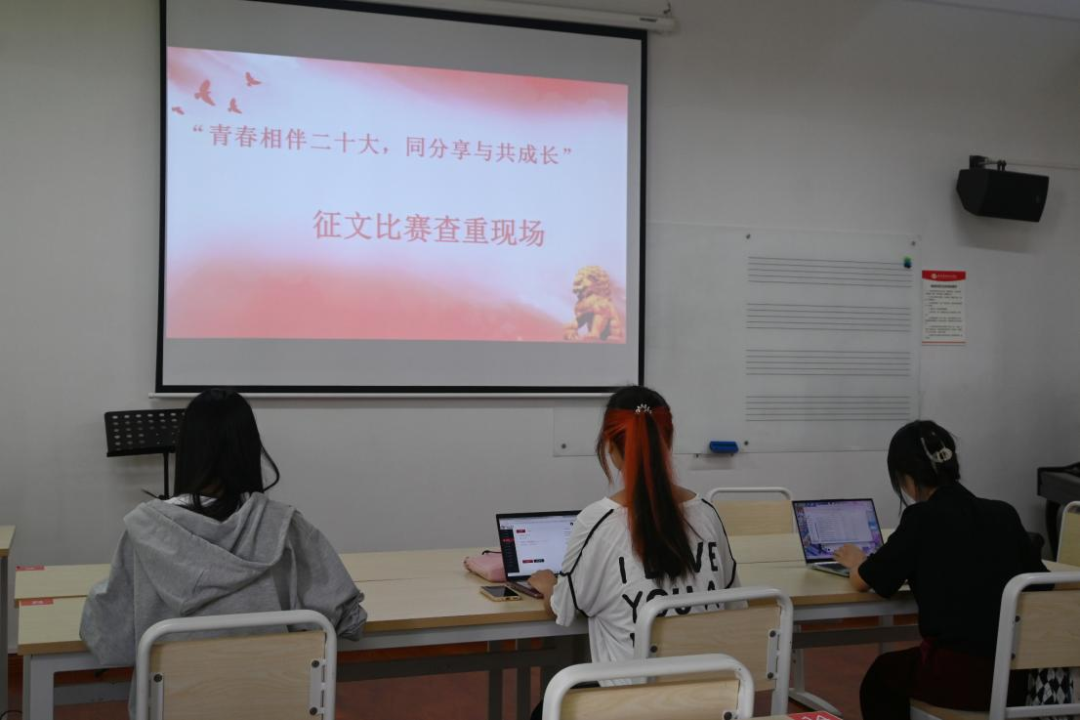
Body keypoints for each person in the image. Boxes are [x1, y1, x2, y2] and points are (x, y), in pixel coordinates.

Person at [81, 389, 365, 704]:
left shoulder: (145, 531)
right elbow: (346, 617)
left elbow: (111, 640)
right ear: (249, 449)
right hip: (271, 706)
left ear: (186, 449)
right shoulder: (285, 527)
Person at [527, 386, 739, 717]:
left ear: (609, 446)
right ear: (669, 441)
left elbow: (564, 609)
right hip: (708, 702)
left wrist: (549, 588)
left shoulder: (598, 521)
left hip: (629, 706)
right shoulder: (707, 514)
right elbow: (731, 599)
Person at [832, 420, 1047, 720]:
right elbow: (1042, 585)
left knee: (881, 676)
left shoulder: (920, 518)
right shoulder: (1003, 512)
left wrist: (857, 561)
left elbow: (864, 581)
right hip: (1019, 678)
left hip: (959, 678)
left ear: (906, 478)